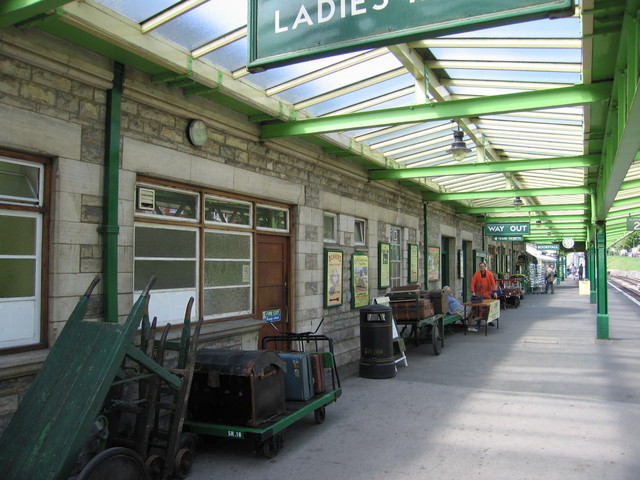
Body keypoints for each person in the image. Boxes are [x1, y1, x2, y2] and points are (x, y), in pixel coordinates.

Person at [470, 262, 498, 331]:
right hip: (479, 293)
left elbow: (493, 283)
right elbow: (473, 283)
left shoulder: (489, 274)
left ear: (485, 267)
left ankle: (489, 320)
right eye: (480, 266)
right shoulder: (476, 274)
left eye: (483, 266)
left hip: (487, 292)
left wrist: (495, 291)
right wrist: (473, 291)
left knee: (489, 307)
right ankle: (478, 321)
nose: (481, 268)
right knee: (479, 308)